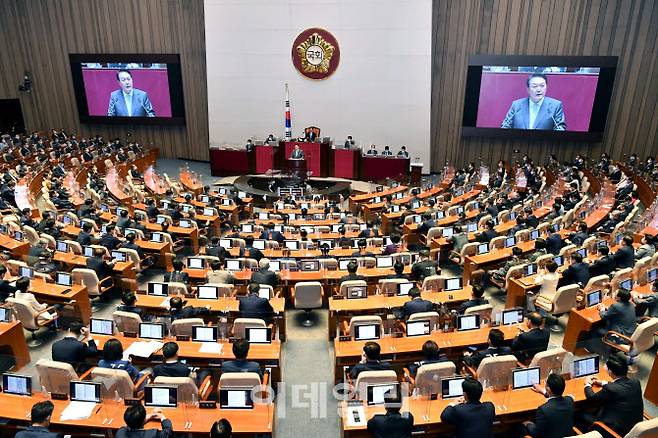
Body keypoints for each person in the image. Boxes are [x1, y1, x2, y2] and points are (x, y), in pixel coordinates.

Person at [583, 354, 643, 436]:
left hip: (614, 430)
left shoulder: (610, 389)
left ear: (610, 372)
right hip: (633, 426)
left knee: (580, 414)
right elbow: (621, 386)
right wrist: (603, 383)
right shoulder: (635, 382)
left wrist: (587, 384)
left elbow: (591, 397)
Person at [500, 73, 566, 130]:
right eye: (534, 86)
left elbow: (560, 128)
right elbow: (505, 126)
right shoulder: (517, 105)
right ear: (528, 89)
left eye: (542, 86)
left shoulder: (555, 106)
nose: (539, 90)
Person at [525, 373, 574, 438]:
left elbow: (536, 433)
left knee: (517, 428)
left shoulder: (543, 410)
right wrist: (543, 391)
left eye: (546, 383)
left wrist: (528, 424)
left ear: (548, 389)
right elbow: (561, 397)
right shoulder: (570, 400)